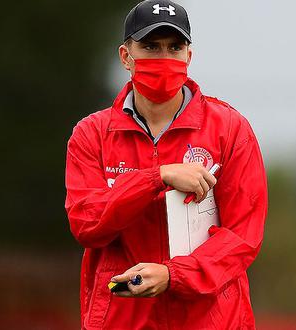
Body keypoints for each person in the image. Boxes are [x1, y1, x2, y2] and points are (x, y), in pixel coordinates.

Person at [64, 1, 267, 329]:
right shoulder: (92, 134)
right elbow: (87, 223)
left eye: (174, 47)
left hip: (211, 320)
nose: (163, 58)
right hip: (122, 317)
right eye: (150, 47)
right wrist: (155, 178)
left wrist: (174, 275)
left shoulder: (229, 129)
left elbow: (243, 235)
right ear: (125, 56)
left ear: (188, 56)